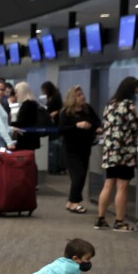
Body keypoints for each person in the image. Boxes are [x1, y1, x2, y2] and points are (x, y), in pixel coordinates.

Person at [94, 76, 138, 232]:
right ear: (131, 90)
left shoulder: (110, 105)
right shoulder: (128, 106)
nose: (137, 93)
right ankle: (119, 222)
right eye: (136, 90)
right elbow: (137, 130)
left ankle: (100, 219)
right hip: (124, 153)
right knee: (122, 187)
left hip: (110, 152)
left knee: (108, 184)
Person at [58, 85, 101, 214]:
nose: (82, 97)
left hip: (85, 147)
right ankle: (74, 202)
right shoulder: (66, 113)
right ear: (72, 98)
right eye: (78, 95)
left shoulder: (88, 109)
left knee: (82, 176)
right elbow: (61, 130)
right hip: (71, 149)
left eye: (82, 94)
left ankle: (71, 202)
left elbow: (97, 123)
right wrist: (77, 125)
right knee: (78, 174)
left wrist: (92, 127)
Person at [11, 82, 42, 152]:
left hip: (26, 139)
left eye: (16, 92)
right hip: (31, 138)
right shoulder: (33, 103)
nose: (16, 95)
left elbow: (22, 122)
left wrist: (10, 124)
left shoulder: (27, 105)